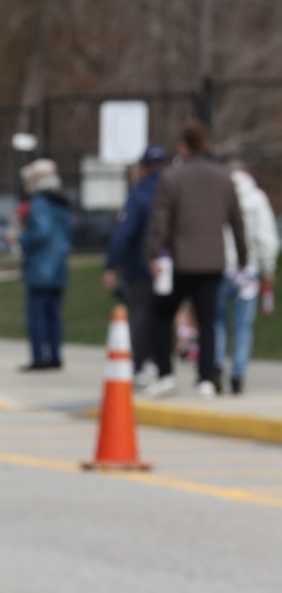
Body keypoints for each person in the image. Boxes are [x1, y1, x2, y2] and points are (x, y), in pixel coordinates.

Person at [145, 119, 247, 398]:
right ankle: (206, 378)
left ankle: (166, 374)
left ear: (182, 146)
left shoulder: (172, 178)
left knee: (162, 315)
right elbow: (237, 222)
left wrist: (154, 253)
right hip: (212, 261)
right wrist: (242, 256)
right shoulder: (224, 178)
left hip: (181, 260)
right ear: (207, 144)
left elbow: (160, 222)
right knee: (208, 320)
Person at [103, 145, 167, 386]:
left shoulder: (138, 195)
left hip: (139, 266)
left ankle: (140, 364)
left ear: (143, 168)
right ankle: (162, 366)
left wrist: (111, 264)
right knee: (163, 317)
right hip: (168, 266)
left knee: (140, 316)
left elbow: (124, 233)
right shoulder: (171, 192)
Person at [214, 161, 278, 395]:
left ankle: (216, 366)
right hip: (248, 270)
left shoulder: (218, 195)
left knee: (217, 322)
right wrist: (268, 268)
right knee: (243, 326)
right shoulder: (257, 198)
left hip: (220, 267)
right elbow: (266, 237)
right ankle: (238, 374)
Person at [17, 158, 71, 370]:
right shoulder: (60, 203)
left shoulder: (39, 203)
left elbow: (41, 232)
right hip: (58, 267)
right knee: (54, 314)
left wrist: (21, 237)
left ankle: (39, 357)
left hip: (40, 267)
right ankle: (55, 354)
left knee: (38, 315)